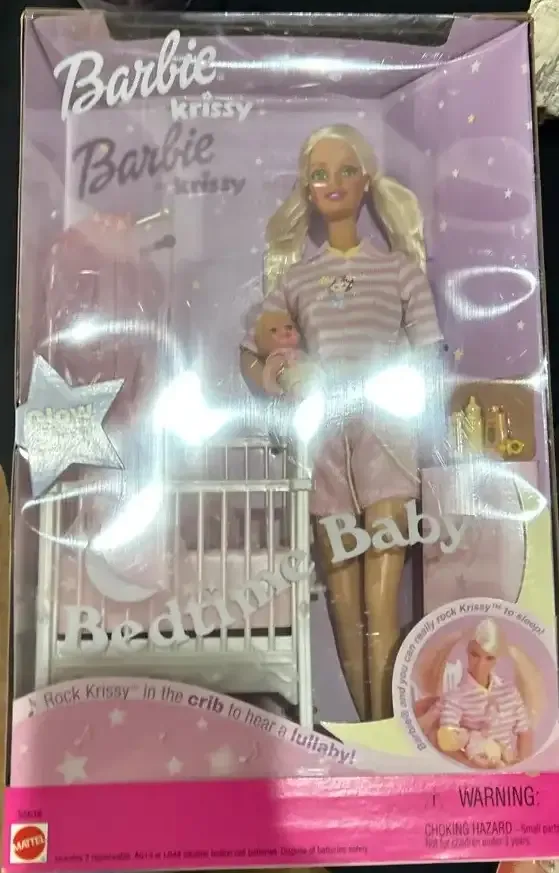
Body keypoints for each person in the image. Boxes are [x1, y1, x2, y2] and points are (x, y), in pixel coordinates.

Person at [240, 124, 443, 721]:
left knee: (382, 593)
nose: (333, 183)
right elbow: (254, 353)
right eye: (319, 174)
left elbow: (429, 351)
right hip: (324, 439)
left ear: (367, 181)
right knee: (343, 597)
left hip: (386, 434)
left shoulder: (400, 270)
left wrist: (415, 397)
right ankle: (369, 731)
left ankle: (387, 726)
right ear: (307, 189)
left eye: (345, 170)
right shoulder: (295, 279)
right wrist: (283, 377)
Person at [437, 619, 532, 767]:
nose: (481, 664)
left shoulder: (510, 691)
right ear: (467, 652)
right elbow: (446, 742)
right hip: (475, 769)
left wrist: (522, 765)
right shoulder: (455, 697)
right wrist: (474, 765)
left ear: (496, 659)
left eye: (489, 658)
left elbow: (524, 731)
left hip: (508, 767)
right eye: (475, 655)